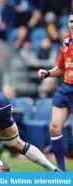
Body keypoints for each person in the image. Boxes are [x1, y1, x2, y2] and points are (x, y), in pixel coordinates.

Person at [37, 11, 73, 172]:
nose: (72, 24)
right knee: (55, 128)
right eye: (71, 21)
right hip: (66, 88)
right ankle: (61, 171)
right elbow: (61, 68)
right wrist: (48, 73)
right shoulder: (65, 44)